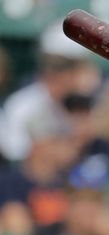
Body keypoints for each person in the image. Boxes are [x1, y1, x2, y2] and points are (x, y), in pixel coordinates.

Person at [1, 22, 98, 162]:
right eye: (52, 65)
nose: (55, 72)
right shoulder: (22, 104)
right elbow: (16, 155)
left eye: (66, 66)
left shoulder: (93, 98)